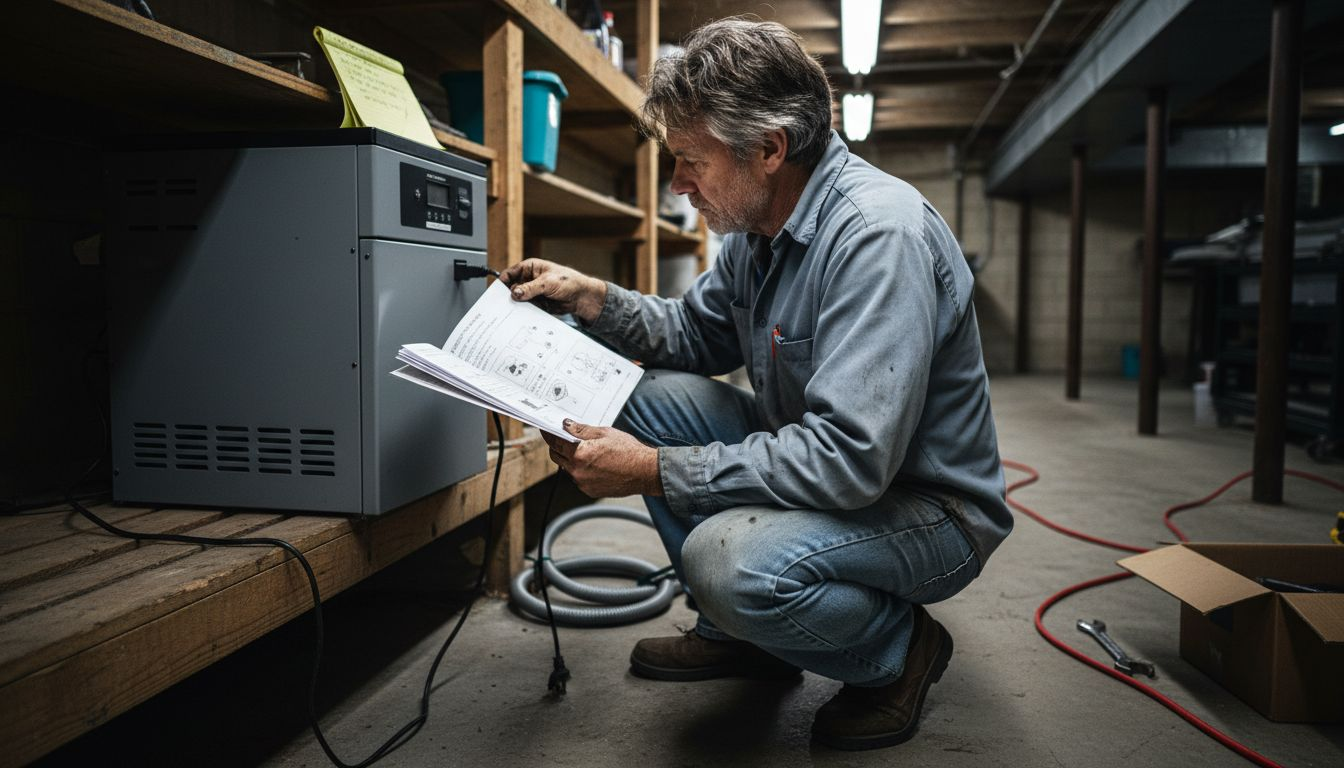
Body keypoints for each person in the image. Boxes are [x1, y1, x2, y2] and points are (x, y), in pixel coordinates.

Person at [500, 17, 1011, 752]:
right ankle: (748, 639)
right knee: (645, 401)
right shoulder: (760, 232)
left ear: (769, 149)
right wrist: (589, 296)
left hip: (926, 506)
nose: (677, 183)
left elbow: (849, 461)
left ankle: (899, 653)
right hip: (843, 474)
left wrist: (651, 469)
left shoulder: (876, 236)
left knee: (726, 561)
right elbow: (690, 335)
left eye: (688, 161)